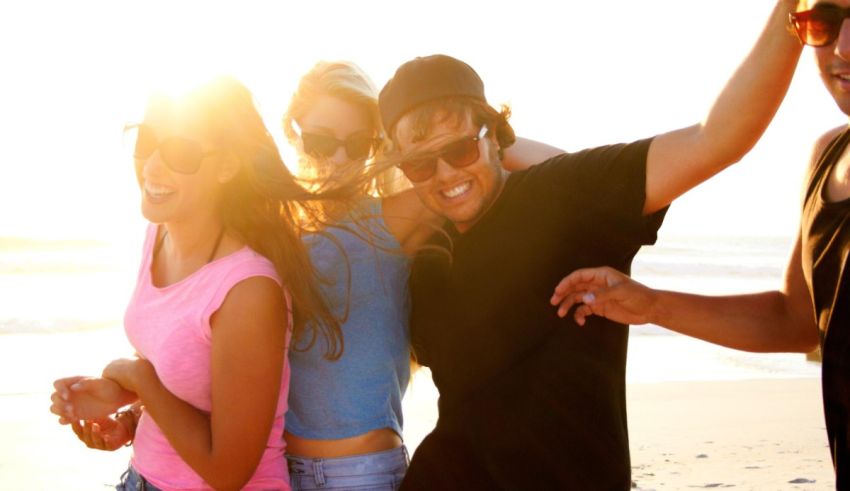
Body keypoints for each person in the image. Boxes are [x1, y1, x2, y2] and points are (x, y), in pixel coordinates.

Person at [376, 2, 803, 489]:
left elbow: (718, 138)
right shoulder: (424, 253)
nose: (447, 175)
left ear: (495, 134)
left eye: (459, 150)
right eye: (422, 165)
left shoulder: (564, 196)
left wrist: (793, 11)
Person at [550, 1, 850, 487]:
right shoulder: (827, 156)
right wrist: (652, 304)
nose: (842, 48)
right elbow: (797, 320)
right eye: (822, 22)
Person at [49, 76, 345, 490]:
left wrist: (138, 380)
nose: (152, 165)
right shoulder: (159, 234)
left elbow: (228, 471)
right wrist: (126, 412)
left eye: (181, 152)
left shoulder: (248, 290)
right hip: (141, 479)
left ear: (226, 165)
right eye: (146, 140)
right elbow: (181, 374)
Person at [279, 60, 563, 490]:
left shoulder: (395, 218)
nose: (338, 159)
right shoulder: (277, 231)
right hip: (277, 473)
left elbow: (563, 173)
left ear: (380, 148)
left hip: (363, 476)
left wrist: (480, 138)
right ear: (294, 135)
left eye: (356, 144)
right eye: (320, 141)